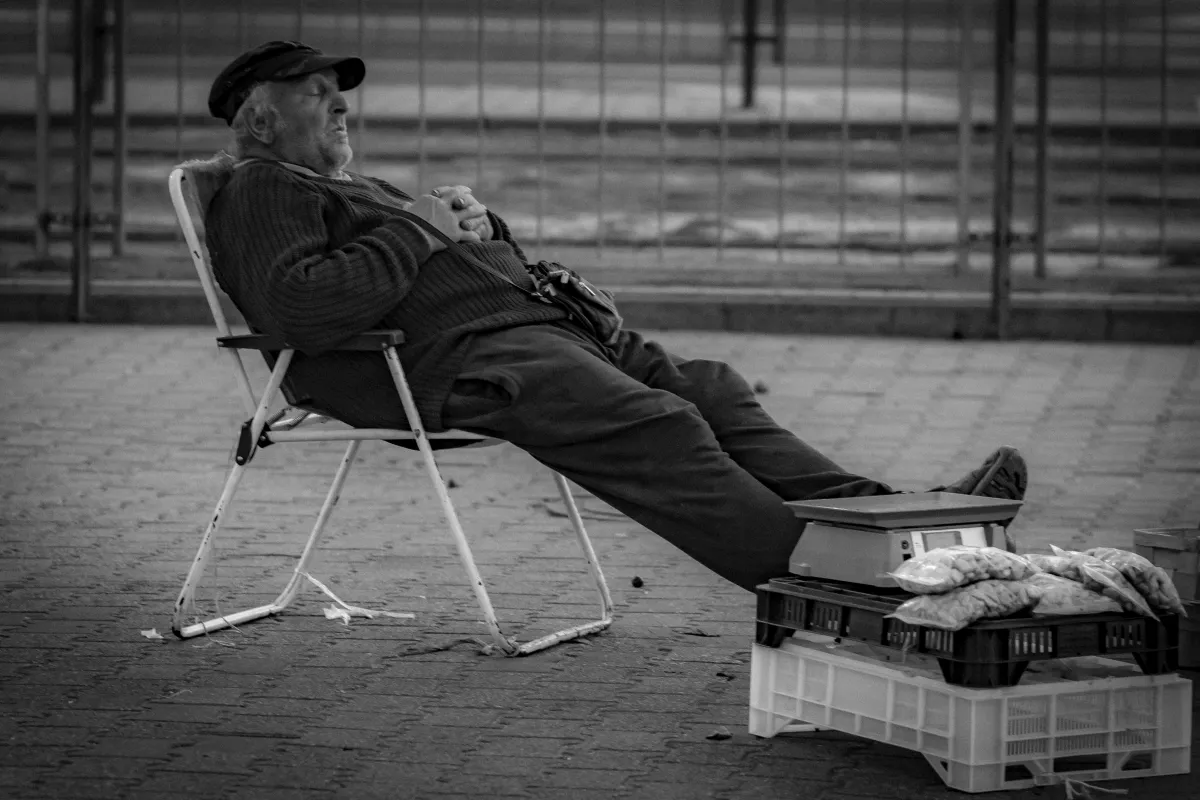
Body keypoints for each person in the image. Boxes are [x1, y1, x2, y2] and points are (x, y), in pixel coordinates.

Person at [203, 41, 1028, 593]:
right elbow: (301, 306)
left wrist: (481, 233)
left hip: (532, 332)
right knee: (658, 424)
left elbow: (425, 263)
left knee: (712, 390)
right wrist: (422, 230)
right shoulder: (264, 188)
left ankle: (893, 522)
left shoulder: (355, 187)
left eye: (341, 96)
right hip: (452, 364)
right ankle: (855, 582)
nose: (341, 107)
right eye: (317, 97)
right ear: (262, 119)